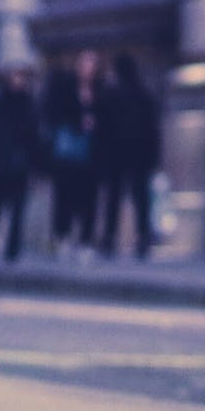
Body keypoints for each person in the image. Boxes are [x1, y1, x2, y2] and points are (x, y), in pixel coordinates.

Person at [94, 52, 162, 261]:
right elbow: (153, 129)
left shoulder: (110, 95)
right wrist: (154, 156)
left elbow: (102, 130)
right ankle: (142, 236)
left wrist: (101, 156)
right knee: (141, 197)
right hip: (140, 154)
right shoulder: (144, 94)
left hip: (116, 155)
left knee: (114, 197)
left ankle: (109, 237)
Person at [0, 65, 43, 262]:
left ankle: (12, 249)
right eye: (16, 76)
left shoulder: (29, 105)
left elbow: (34, 138)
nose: (19, 81)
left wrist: (36, 167)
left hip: (20, 165)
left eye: (22, 77)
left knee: (18, 210)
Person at [42, 50, 104, 259]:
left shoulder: (100, 90)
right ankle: (62, 237)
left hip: (92, 152)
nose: (89, 68)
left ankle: (86, 240)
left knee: (88, 198)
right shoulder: (65, 87)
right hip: (68, 151)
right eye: (85, 63)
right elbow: (54, 113)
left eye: (92, 64)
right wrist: (79, 122)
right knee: (64, 196)